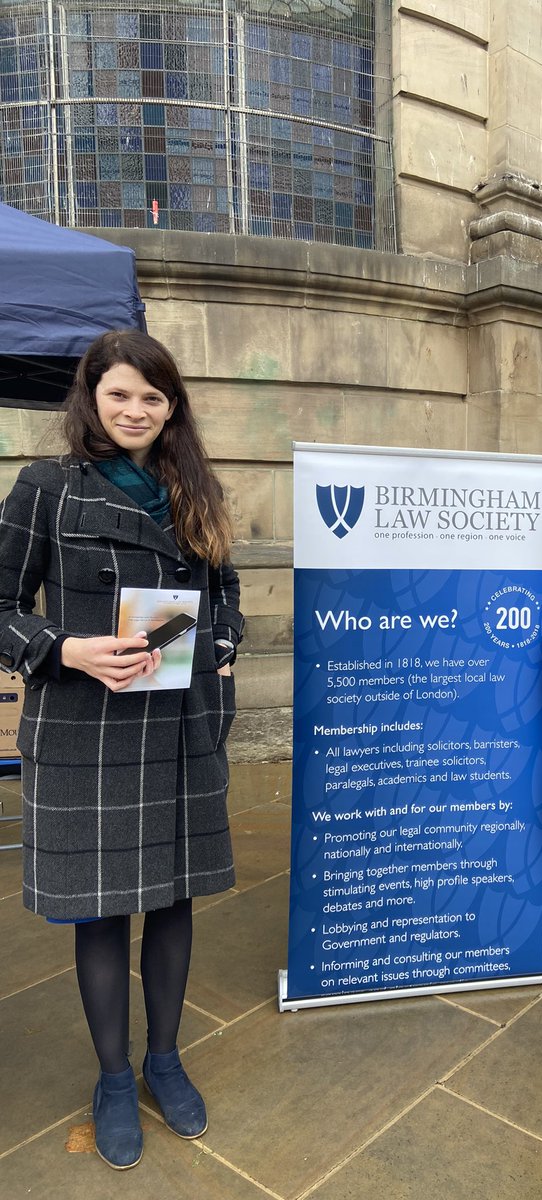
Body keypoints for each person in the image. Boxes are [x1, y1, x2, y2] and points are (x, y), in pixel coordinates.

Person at [0, 330, 244, 1169]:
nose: (137, 410)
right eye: (120, 395)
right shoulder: (46, 487)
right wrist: (64, 650)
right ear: (91, 399)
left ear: (170, 405)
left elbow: (224, 587)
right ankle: (112, 1077)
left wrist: (228, 639)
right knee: (102, 910)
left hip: (183, 726)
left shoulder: (193, 488)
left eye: (152, 396)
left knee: (172, 900)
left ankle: (164, 1058)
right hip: (86, 732)